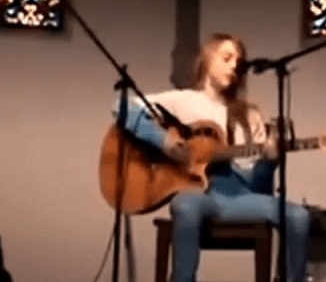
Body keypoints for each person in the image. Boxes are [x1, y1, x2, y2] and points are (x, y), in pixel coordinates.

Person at [111, 33, 312, 282]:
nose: (234, 66)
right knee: (185, 205)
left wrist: (270, 162)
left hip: (239, 196)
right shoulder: (182, 100)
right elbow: (122, 108)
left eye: (238, 62)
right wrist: (166, 143)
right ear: (207, 60)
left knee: (299, 216)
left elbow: (258, 187)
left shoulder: (248, 114)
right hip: (198, 194)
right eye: (227, 58)